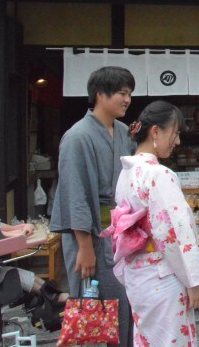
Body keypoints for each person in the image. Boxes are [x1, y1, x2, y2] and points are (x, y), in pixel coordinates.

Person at [50, 66, 135, 345]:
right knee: (97, 307)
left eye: (129, 94)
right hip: (89, 236)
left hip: (119, 232)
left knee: (124, 304)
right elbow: (74, 194)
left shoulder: (123, 132)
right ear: (100, 94)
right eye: (122, 93)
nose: (127, 100)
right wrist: (85, 248)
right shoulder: (77, 136)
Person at [112, 101, 199, 346]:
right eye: (174, 134)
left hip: (138, 273)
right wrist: (193, 281)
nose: (177, 142)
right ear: (155, 132)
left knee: (147, 339)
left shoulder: (127, 172)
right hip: (162, 274)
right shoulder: (158, 174)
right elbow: (174, 233)